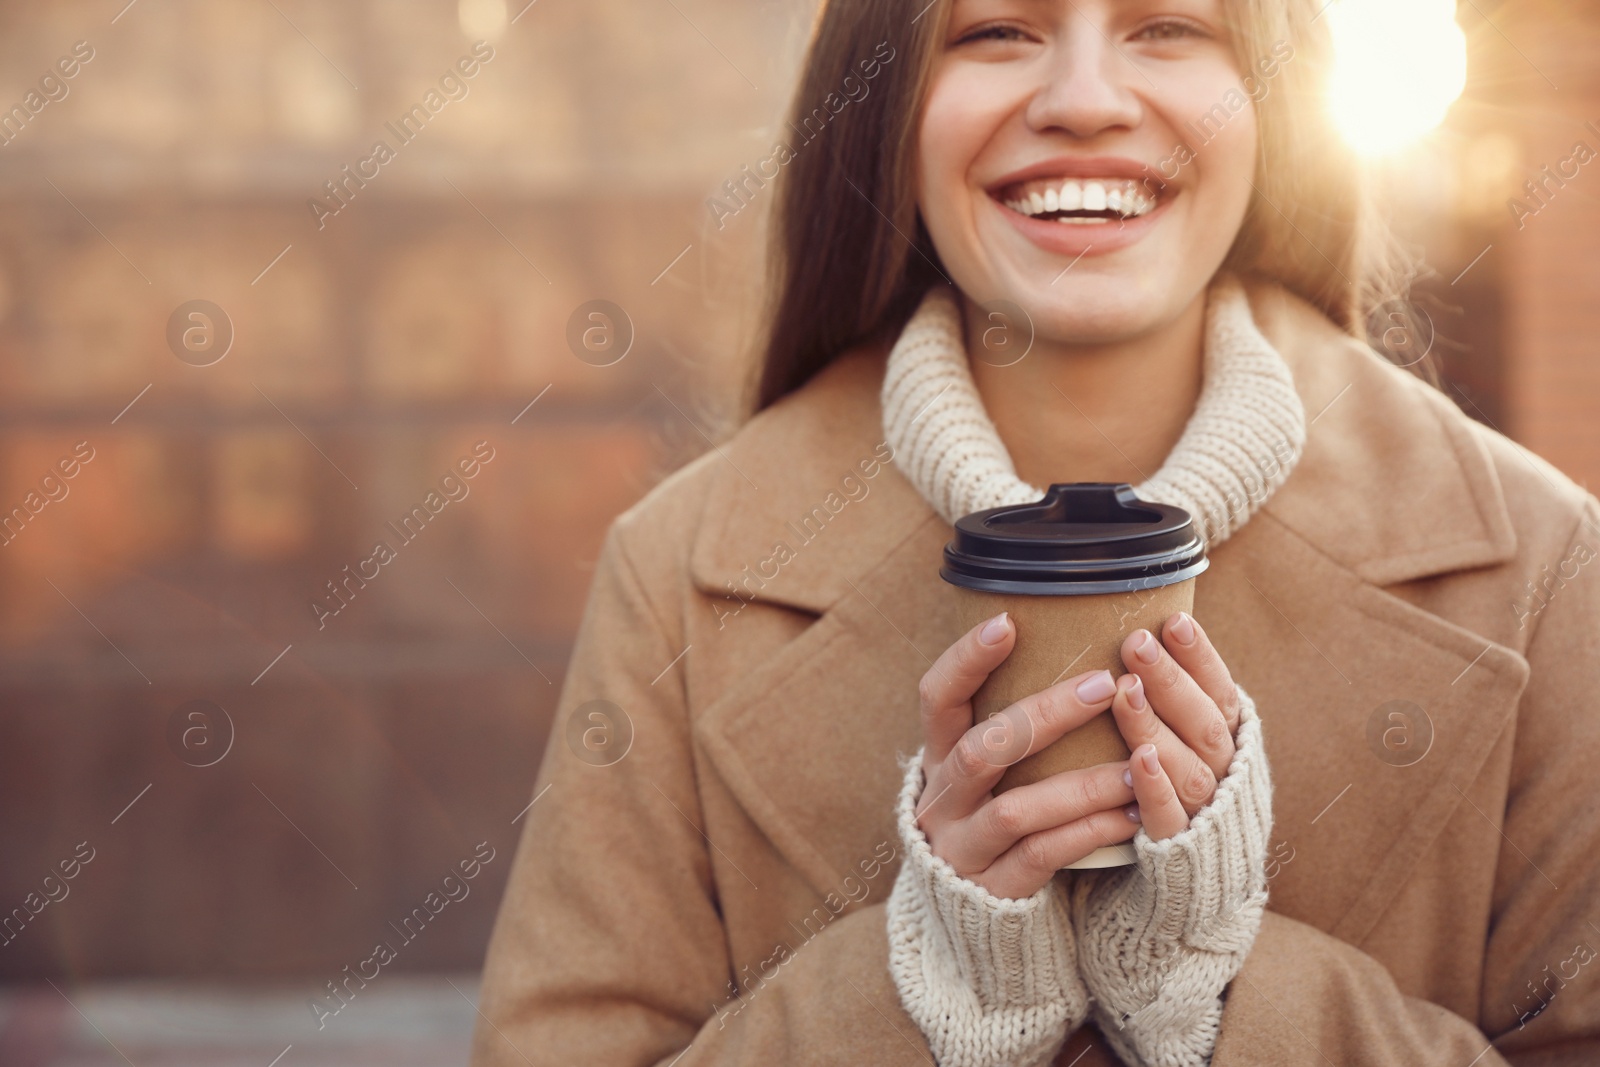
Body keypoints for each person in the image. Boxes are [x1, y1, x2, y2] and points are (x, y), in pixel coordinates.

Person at [470, 0, 1600, 1063]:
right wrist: (925, 983)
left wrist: (1214, 986)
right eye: (999, 28)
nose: (1086, 97)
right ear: (883, 107)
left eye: (1165, 25)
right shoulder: (678, 569)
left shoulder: (1545, 565)